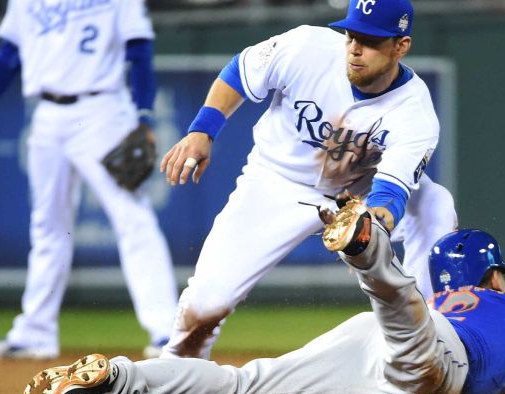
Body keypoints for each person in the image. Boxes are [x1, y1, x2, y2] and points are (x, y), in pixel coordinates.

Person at [20, 198, 505, 394]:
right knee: (401, 310)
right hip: (435, 355)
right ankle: (366, 246)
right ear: (493, 275)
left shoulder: (442, 300)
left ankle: (119, 379)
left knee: (244, 384)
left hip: (380, 340)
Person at [156, 0, 456, 359]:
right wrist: (202, 130)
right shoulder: (306, 47)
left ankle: (429, 344)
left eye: (371, 41)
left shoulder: (414, 112)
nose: (355, 49)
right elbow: (241, 69)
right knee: (206, 303)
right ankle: (175, 370)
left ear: (400, 46)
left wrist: (369, 236)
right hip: (275, 182)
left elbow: (390, 195)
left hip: (357, 192)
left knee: (435, 203)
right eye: (351, 36)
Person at [0, 0, 178, 359]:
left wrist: (144, 116)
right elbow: (9, 55)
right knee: (48, 226)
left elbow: (140, 52)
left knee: (134, 219)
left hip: (103, 112)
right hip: (46, 115)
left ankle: (166, 332)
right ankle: (35, 333)